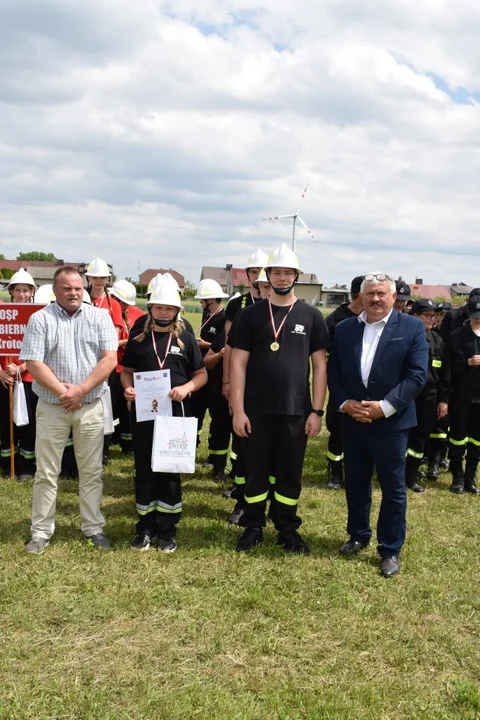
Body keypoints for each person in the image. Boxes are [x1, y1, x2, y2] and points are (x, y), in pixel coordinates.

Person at [231, 244, 330, 555]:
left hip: (295, 411)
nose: (282, 277)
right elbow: (237, 363)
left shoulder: (311, 315)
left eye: (288, 272)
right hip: (256, 410)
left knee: (289, 471)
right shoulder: (250, 315)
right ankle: (253, 526)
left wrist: (316, 410)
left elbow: (320, 365)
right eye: (276, 272)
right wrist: (237, 410)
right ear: (267, 276)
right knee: (255, 469)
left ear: (296, 276)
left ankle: (287, 528)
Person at [328, 272, 428, 577]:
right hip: (354, 420)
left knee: (393, 488)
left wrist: (384, 408)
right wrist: (346, 404)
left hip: (391, 424)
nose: (375, 299)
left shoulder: (412, 327)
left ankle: (389, 549)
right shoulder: (345, 329)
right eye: (369, 293)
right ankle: (358, 535)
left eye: (382, 294)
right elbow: (334, 372)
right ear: (360, 296)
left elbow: (416, 376)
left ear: (394, 297)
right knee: (356, 483)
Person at [20, 266, 118, 555]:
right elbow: (34, 363)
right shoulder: (40, 319)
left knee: (91, 471)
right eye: (67, 288)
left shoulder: (100, 317)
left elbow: (109, 359)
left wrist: (81, 390)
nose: (74, 293)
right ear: (55, 290)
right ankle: (40, 531)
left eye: (78, 288)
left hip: (89, 406)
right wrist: (65, 393)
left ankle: (93, 527)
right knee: (47, 471)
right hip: (53, 407)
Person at [121, 284, 207, 552]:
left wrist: (185, 388)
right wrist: (127, 388)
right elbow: (126, 371)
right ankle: (145, 527)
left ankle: (168, 530)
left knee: (169, 471)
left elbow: (201, 375)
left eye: (169, 308)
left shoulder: (187, 341)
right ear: (150, 309)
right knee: (145, 470)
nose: (164, 311)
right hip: (144, 416)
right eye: (159, 306)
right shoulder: (138, 339)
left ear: (177, 311)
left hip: (175, 416)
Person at [405, 300, 450, 493]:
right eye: (428, 315)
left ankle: (411, 477)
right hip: (405, 395)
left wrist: (443, 400)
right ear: (415, 316)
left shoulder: (437, 340)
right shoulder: (403, 337)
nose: (433, 319)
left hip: (428, 397)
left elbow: (445, 374)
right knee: (401, 438)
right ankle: (395, 474)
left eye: (434, 316)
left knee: (420, 439)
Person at [324, 275, 364, 489]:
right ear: (359, 295)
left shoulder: (371, 319)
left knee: (358, 434)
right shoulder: (335, 319)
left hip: (364, 388)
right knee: (337, 432)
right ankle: (335, 474)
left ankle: (354, 472)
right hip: (341, 387)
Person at [0, 269, 38, 480]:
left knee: (29, 424)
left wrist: (21, 368)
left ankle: (26, 467)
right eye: (18, 290)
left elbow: (43, 349)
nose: (22, 294)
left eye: (26, 290)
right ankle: (7, 465)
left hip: (28, 379)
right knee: (6, 423)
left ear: (32, 291)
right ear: (11, 291)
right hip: (5, 380)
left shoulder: (38, 315)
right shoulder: (3, 313)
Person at [447, 294, 480, 494]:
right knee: (458, 438)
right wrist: (467, 362)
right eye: (475, 315)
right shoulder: (457, 336)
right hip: (461, 396)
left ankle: (471, 477)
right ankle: (457, 477)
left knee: (477, 440)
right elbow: (450, 368)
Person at [191, 279, 228, 455]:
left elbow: (222, 346)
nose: (200, 303)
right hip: (201, 371)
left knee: (217, 415)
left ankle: (215, 455)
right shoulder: (207, 316)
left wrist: (205, 344)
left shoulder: (224, 318)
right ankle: (191, 445)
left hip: (216, 373)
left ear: (211, 300)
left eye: (202, 300)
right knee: (195, 411)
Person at [108, 279, 144, 454]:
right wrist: (124, 342)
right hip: (112, 367)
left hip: (130, 368)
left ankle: (128, 443)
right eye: (122, 302)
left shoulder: (137, 314)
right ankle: (109, 440)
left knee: (128, 407)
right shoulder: (106, 312)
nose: (125, 307)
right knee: (111, 406)